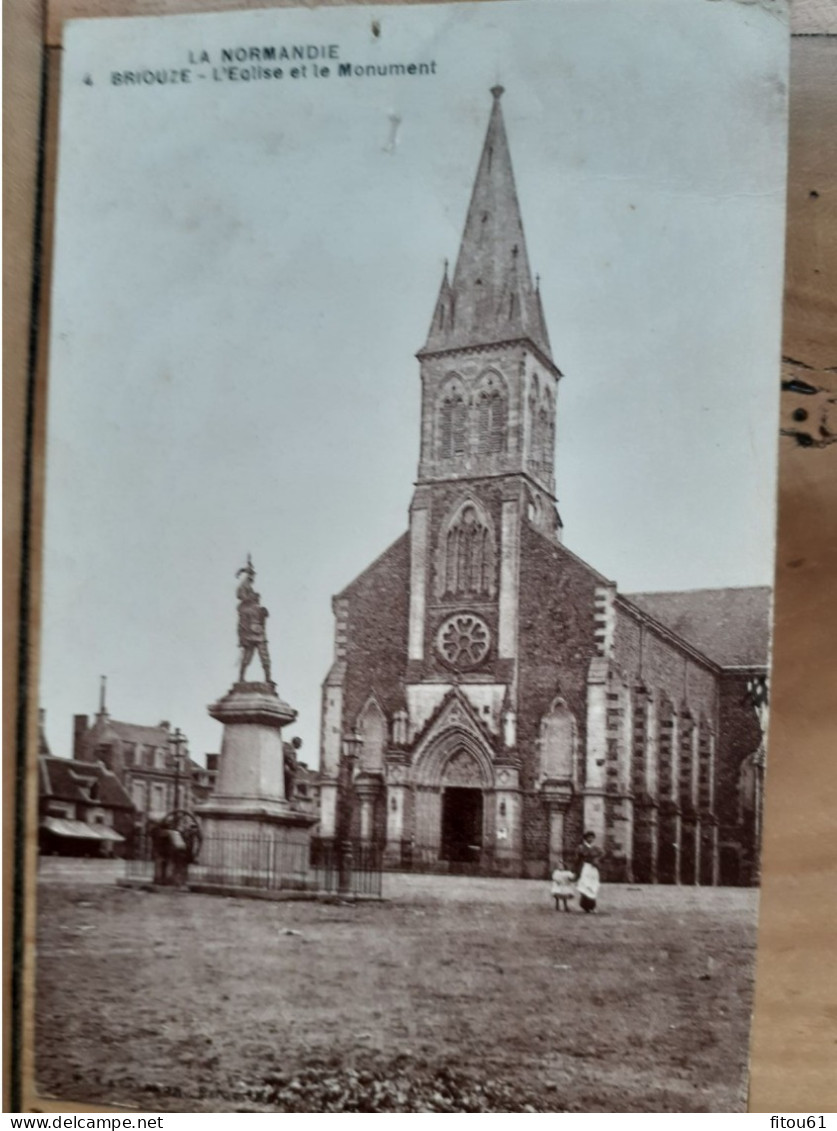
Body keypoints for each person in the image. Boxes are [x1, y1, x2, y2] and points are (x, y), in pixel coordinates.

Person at [574, 830, 603, 913]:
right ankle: (585, 906)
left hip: (593, 869)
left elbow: (602, 854)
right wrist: (576, 870)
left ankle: (592, 906)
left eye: (592, 837)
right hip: (585, 867)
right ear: (585, 838)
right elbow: (577, 859)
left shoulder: (596, 848)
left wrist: (597, 860)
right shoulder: (581, 847)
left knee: (593, 885)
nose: (590, 839)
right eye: (588, 837)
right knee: (585, 885)